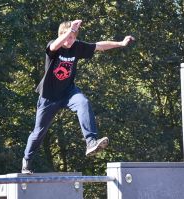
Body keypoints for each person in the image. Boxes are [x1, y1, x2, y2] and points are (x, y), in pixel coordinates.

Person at [22, 19, 135, 174]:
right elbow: (55, 45)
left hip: (68, 93)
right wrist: (69, 31)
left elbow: (99, 46)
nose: (70, 41)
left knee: (83, 102)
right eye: (68, 37)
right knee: (38, 133)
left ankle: (90, 142)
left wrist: (120, 44)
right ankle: (27, 161)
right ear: (61, 35)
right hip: (48, 96)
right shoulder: (53, 47)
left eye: (73, 38)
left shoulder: (77, 47)